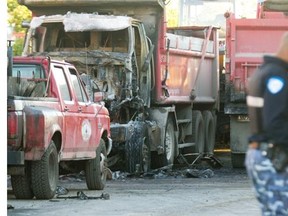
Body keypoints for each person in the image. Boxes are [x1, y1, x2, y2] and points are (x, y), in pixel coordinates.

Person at [245, 31, 288, 215]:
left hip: (262, 154)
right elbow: (274, 122)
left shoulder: (264, 71)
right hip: (271, 157)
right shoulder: (277, 76)